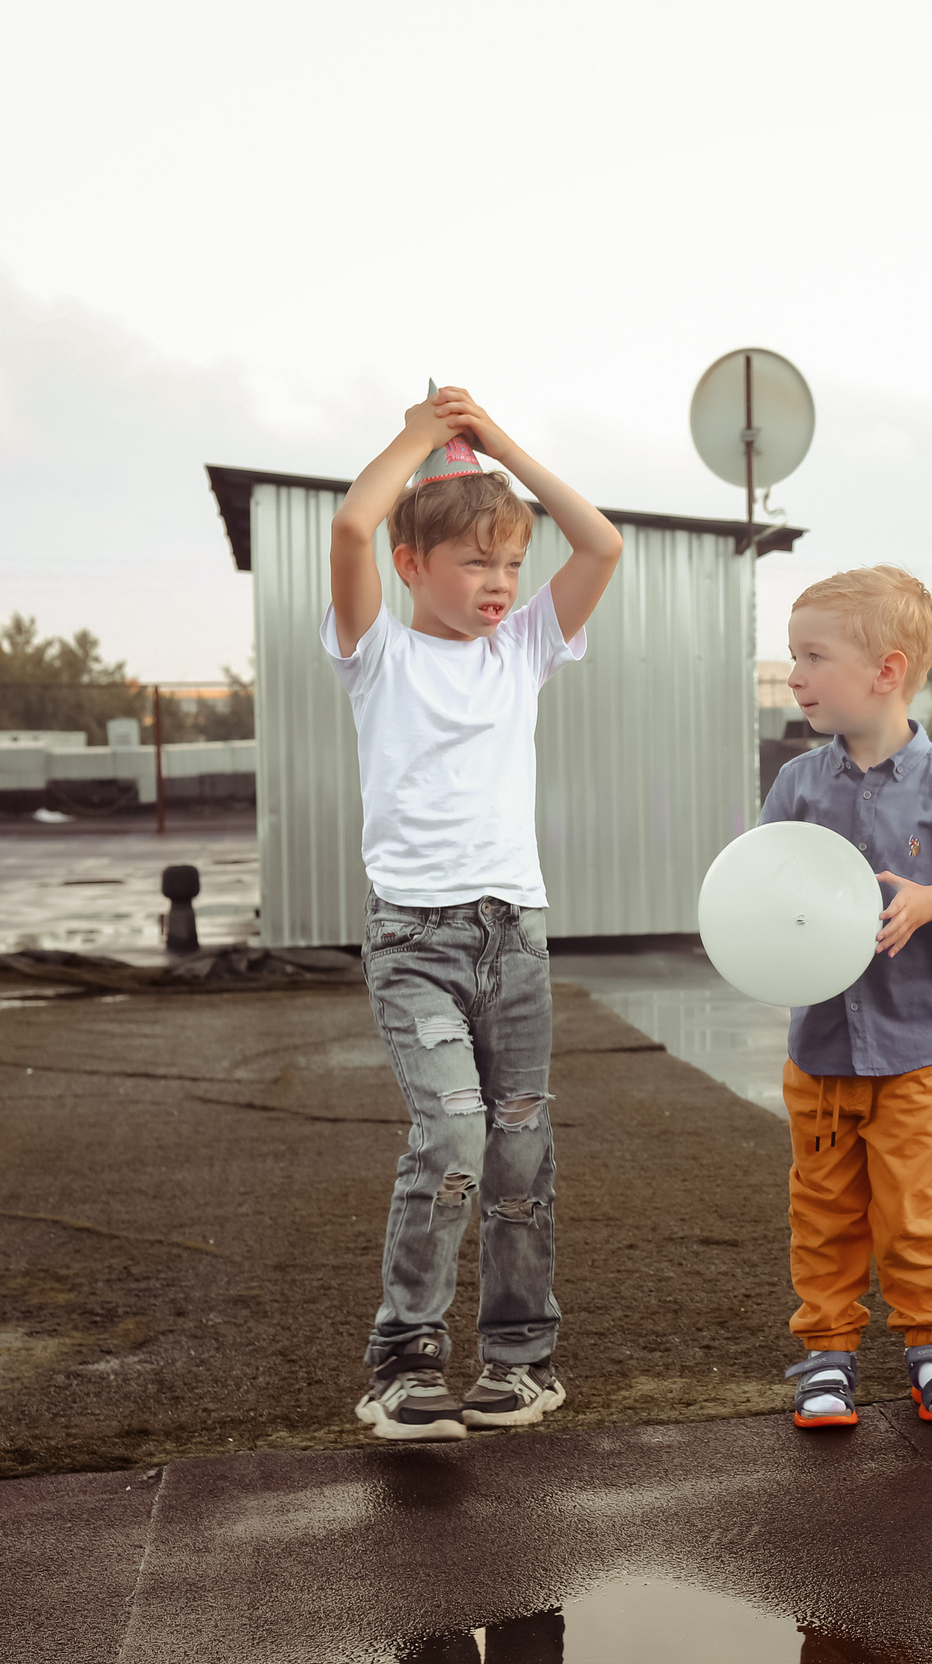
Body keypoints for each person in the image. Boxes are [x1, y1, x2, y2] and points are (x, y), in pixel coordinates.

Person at [325, 386, 624, 1440]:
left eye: (509, 563)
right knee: (450, 1134)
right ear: (414, 568)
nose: (500, 583)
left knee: (519, 1153)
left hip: (516, 937)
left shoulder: (524, 649)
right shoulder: (379, 654)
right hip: (418, 939)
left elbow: (600, 543)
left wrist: (497, 444)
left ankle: (517, 1363)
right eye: (473, 563)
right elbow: (354, 523)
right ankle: (402, 1367)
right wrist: (422, 437)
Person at [760, 567, 932, 1427]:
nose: (795, 674)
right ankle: (827, 1355)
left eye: (813, 656)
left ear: (887, 669)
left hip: (916, 1039)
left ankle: (931, 1346)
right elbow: (763, 889)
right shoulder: (798, 785)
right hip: (823, 1043)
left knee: (910, 1201)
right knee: (824, 1202)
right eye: (793, 655)